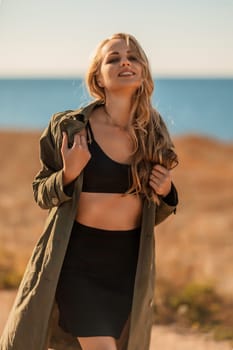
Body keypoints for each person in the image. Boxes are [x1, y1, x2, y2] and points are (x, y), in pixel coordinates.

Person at [0, 33, 178, 350]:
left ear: (143, 71)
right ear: (97, 75)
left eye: (133, 57)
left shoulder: (154, 132)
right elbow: (41, 193)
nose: (125, 61)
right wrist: (68, 174)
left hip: (128, 269)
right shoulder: (70, 127)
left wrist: (167, 193)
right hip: (76, 262)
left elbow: (153, 214)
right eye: (113, 58)